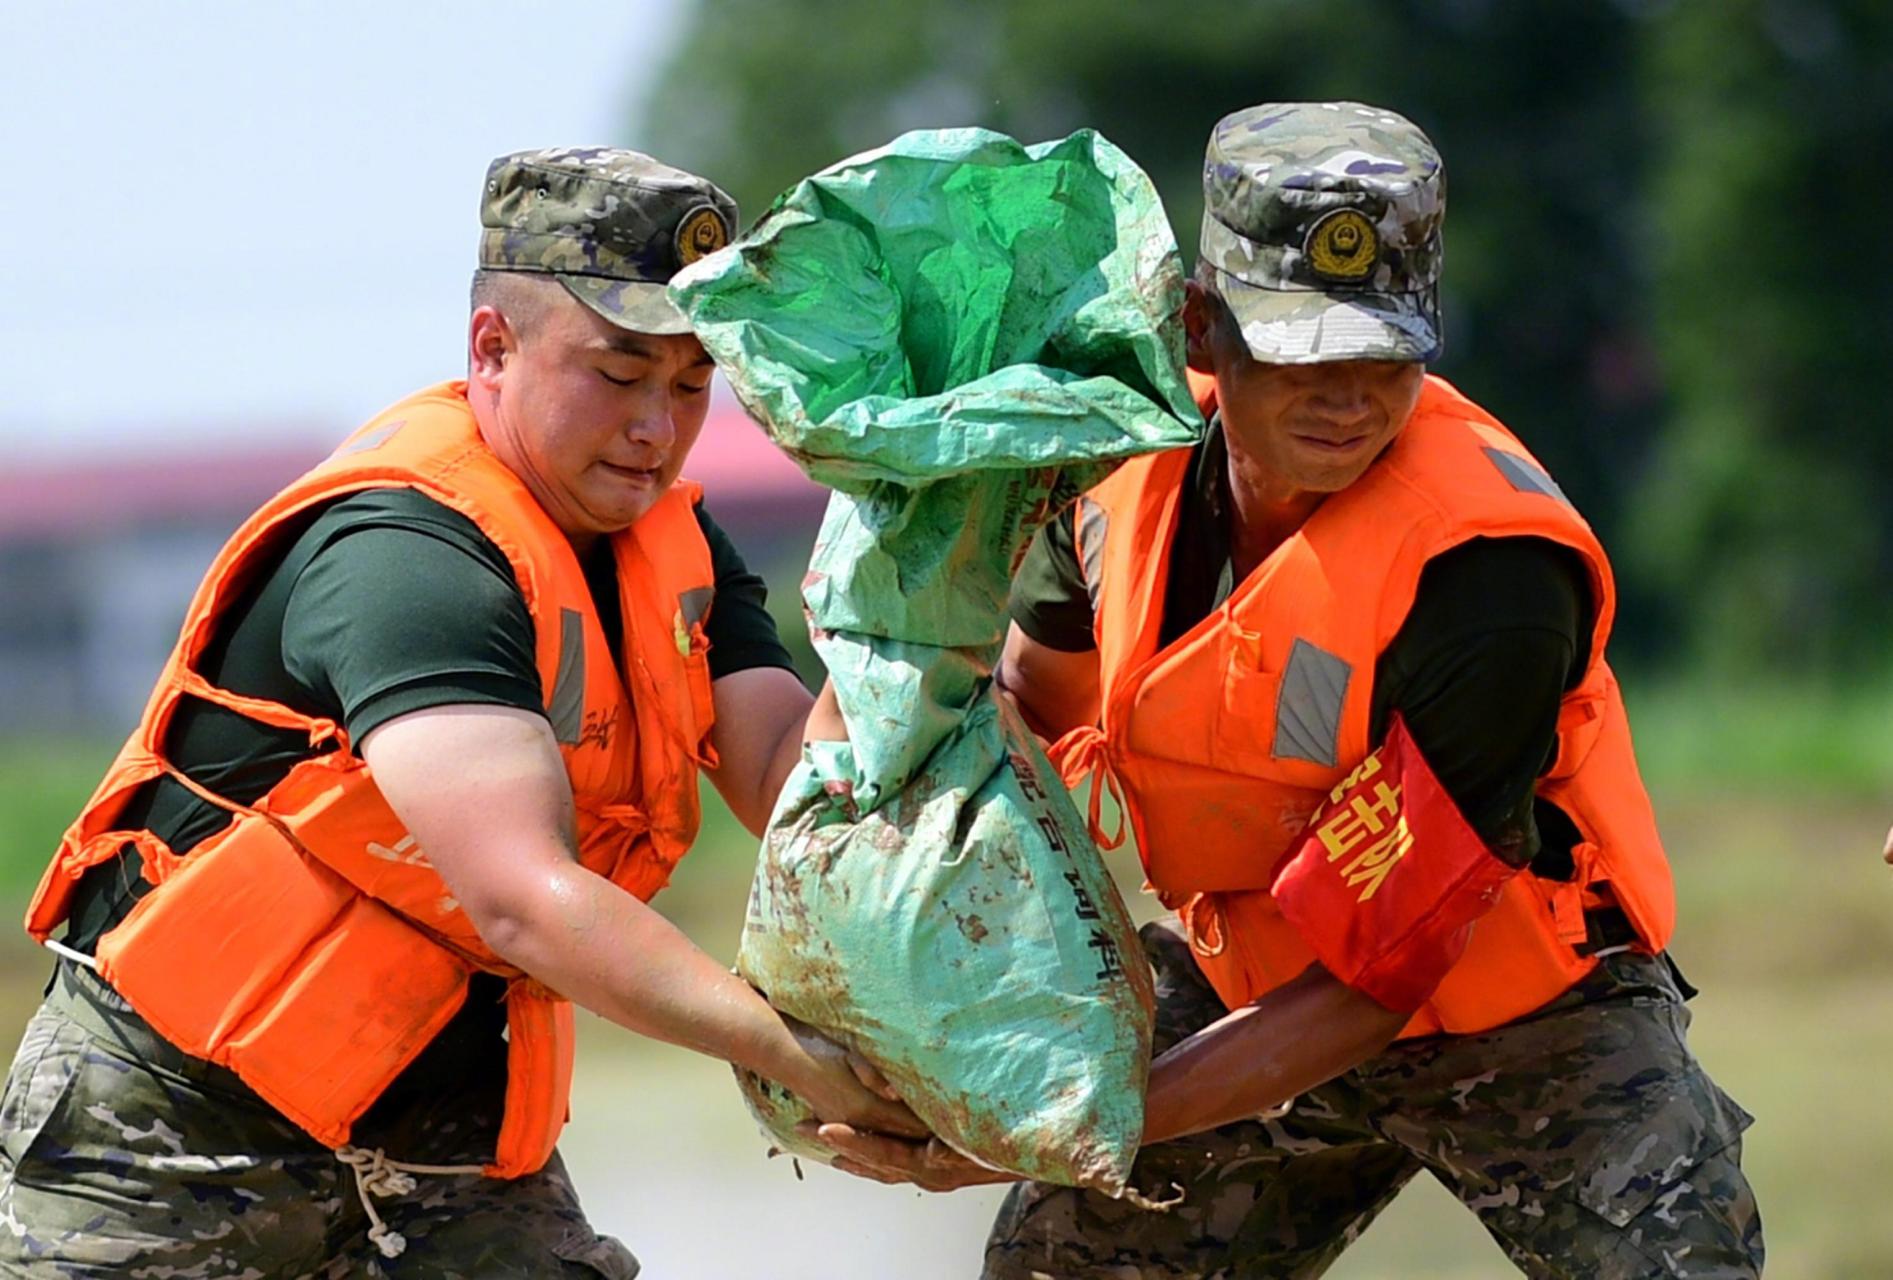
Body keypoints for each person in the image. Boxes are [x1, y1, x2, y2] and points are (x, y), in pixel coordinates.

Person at [814, 103, 1764, 1278]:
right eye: (1302, 348)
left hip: (1528, 1016)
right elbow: (1024, 725)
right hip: (1249, 978)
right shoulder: (1115, 474)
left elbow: (1377, 976)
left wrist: (1082, 1121)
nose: (1350, 394)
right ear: (1202, 328)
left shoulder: (1493, 569)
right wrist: (915, 976)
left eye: (1384, 350)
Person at [0, 146, 921, 1277]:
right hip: (177, 1128)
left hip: (443, 1131)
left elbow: (793, 775)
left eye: (691, 383)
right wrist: (792, 1049)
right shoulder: (411, 555)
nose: (658, 424)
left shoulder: (672, 544)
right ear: (493, 345)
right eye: (620, 372)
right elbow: (524, 898)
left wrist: (916, 585)